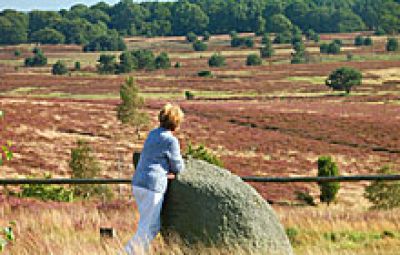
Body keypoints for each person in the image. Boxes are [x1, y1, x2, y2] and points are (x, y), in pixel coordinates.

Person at [124, 103, 185, 255]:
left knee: (151, 226)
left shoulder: (153, 134)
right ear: (175, 123)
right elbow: (178, 166)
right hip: (153, 186)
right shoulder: (171, 141)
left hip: (139, 183)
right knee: (148, 228)